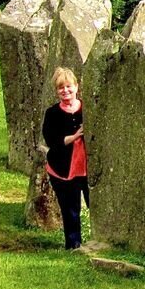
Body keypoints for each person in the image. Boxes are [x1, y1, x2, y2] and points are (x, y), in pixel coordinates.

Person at [40, 67, 90, 250]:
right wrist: (75, 136)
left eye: (69, 86)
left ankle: (102, 241)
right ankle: (74, 245)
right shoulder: (52, 113)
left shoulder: (87, 108)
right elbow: (52, 140)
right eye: (61, 88)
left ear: (76, 87)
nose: (65, 91)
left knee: (96, 204)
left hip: (88, 167)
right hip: (62, 168)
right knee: (71, 209)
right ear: (56, 91)